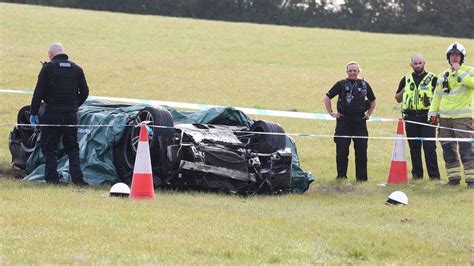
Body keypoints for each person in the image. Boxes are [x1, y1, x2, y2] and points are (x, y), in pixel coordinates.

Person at [29, 43, 89, 185]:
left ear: (50, 55)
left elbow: (38, 92)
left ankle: (52, 179)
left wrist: (33, 113)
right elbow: (85, 92)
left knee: (49, 147)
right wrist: (74, 105)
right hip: (70, 115)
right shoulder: (77, 69)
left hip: (52, 113)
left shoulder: (48, 68)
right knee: (72, 147)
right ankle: (78, 179)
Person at [428, 42, 473, 188]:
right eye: (452, 55)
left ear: (462, 58)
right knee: (448, 149)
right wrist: (432, 114)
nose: (454, 57)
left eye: (457, 55)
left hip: (463, 119)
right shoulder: (443, 75)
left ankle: (472, 181)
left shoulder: (469, 71)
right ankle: (453, 180)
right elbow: (437, 96)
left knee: (466, 149)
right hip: (445, 120)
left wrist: (459, 71)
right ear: (448, 57)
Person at [323, 62, 377, 181]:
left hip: (360, 121)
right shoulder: (340, 84)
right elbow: (326, 97)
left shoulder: (364, 84)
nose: (353, 72)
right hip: (344, 121)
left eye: (355, 70)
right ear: (346, 72)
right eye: (350, 70)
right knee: (342, 150)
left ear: (358, 71)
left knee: (361, 151)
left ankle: (362, 178)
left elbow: (373, 101)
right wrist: (331, 113)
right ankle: (341, 177)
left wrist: (368, 114)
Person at [394, 54, 440, 180]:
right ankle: (417, 176)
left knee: (430, 147)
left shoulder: (433, 78)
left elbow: (440, 99)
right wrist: (405, 90)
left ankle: (434, 177)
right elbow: (397, 99)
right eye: (415, 63)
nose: (418, 65)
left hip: (428, 117)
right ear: (411, 65)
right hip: (411, 117)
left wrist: (436, 120)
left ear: (424, 63)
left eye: (420, 63)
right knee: (414, 147)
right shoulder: (406, 79)